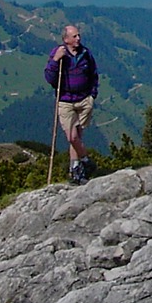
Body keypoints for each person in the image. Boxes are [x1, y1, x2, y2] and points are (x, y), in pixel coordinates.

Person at [44, 24, 100, 184]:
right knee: (72, 136)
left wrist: (92, 95)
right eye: (74, 36)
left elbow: (93, 74)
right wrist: (55, 61)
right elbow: (50, 78)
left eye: (78, 35)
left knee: (77, 137)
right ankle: (86, 161)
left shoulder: (85, 53)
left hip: (83, 99)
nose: (78, 38)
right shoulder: (59, 54)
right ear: (66, 39)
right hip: (66, 101)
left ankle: (76, 170)